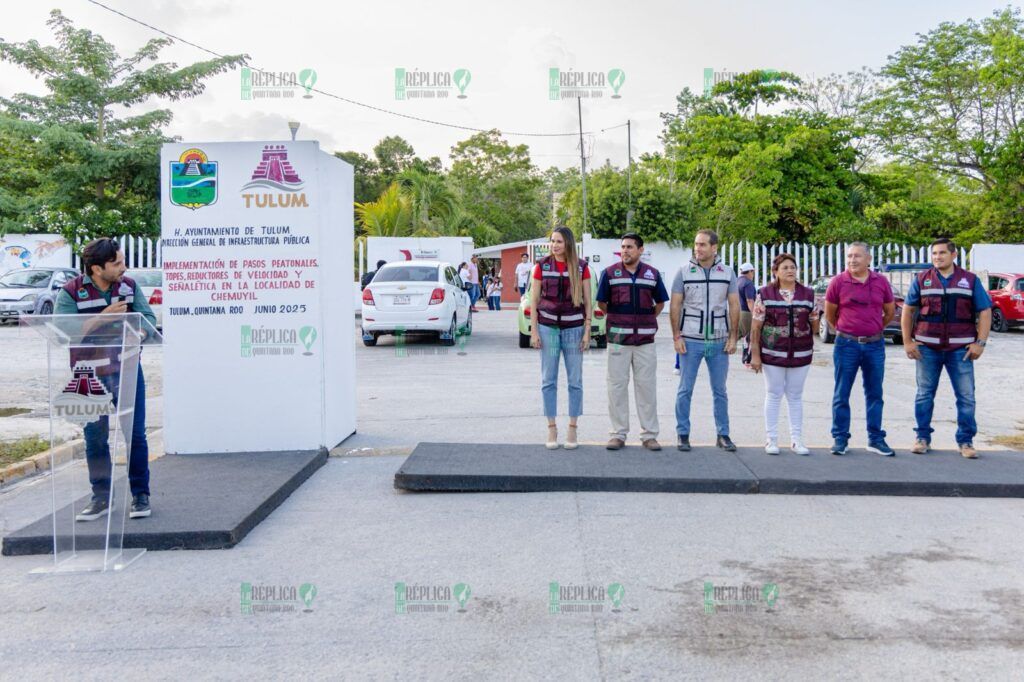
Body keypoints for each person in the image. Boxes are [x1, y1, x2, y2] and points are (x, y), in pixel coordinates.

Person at [55, 238, 157, 521]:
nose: (124, 267)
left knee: (135, 435)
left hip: (126, 368)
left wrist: (140, 333)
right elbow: (64, 330)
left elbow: (148, 319)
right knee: (95, 438)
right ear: (97, 269)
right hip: (87, 374)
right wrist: (102, 318)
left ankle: (140, 495)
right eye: (117, 263)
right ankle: (101, 497)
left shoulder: (129, 287)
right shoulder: (71, 292)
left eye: (123, 261)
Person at [901, 238, 992, 459]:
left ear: (953, 255)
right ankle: (922, 438)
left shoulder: (969, 280)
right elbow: (908, 310)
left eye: (942, 253)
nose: (937, 257)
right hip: (927, 349)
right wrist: (907, 341)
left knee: (966, 397)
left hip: (961, 349)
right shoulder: (922, 279)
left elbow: (985, 311)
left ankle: (966, 441)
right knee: (924, 395)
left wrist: (980, 343)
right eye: (934, 253)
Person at [596, 232, 669, 451]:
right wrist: (620, 319)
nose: (625, 250)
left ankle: (649, 435)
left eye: (629, 247)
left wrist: (645, 320)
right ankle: (618, 434)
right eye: (623, 247)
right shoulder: (609, 273)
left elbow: (660, 303)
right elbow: (602, 303)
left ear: (640, 250)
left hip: (645, 340)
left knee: (646, 388)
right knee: (616, 388)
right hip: (618, 340)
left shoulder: (652, 274)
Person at [669, 229, 740, 452]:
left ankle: (723, 434)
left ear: (714, 248)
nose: (697, 248)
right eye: (696, 244)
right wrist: (676, 336)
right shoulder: (683, 272)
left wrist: (733, 337)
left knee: (720, 390)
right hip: (690, 340)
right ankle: (682, 434)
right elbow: (675, 305)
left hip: (718, 340)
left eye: (702, 244)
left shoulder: (727, 273)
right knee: (685, 389)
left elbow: (734, 305)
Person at [824, 242, 895, 456]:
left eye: (857, 256)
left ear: (868, 259)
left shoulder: (881, 282)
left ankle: (875, 439)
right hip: (846, 345)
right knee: (842, 392)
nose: (852, 260)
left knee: (875, 393)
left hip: (875, 345)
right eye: (849, 256)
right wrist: (846, 330)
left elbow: (889, 312)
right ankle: (840, 438)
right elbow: (830, 314)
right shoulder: (838, 282)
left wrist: (874, 329)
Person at [749, 254, 819, 455]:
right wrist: (755, 355)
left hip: (801, 353)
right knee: (773, 394)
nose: (790, 271)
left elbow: (814, 323)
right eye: (785, 267)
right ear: (776, 272)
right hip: (772, 353)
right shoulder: (765, 293)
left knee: (795, 396)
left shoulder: (808, 294)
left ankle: (797, 440)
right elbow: (756, 327)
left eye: (793, 267)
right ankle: (771, 440)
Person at [530, 226, 592, 449]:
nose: (554, 245)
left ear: (568, 243)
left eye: (559, 241)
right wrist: (534, 331)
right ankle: (551, 427)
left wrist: (587, 331)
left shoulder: (582, 267)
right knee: (549, 380)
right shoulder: (541, 266)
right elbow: (534, 301)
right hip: (548, 329)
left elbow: (588, 302)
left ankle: (573, 428)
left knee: (575, 381)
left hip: (574, 329)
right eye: (552, 241)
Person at [737, 263, 757, 366]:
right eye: (753, 272)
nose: (753, 274)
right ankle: (748, 360)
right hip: (747, 313)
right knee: (751, 337)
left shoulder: (737, 281)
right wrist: (755, 315)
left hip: (738, 312)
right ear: (750, 271)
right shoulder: (748, 283)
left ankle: (746, 359)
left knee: (741, 336)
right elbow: (750, 300)